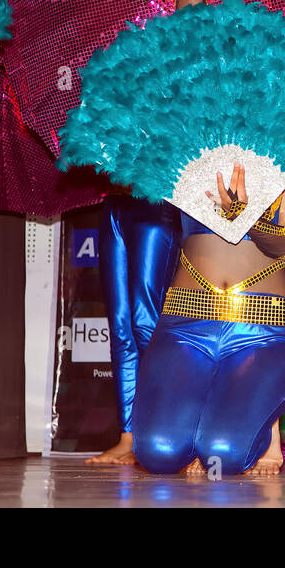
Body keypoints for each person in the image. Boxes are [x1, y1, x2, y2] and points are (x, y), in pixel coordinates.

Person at [127, 0, 285, 476]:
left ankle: (257, 425)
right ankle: (227, 424)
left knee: (222, 454)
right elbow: (186, 41)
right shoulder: (190, 136)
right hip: (185, 322)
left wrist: (248, 214)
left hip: (262, 327)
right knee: (157, 453)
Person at [84, 197, 181, 465]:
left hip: (156, 202)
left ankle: (161, 433)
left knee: (145, 322)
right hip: (115, 205)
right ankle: (128, 437)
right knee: (119, 326)